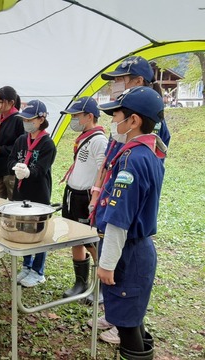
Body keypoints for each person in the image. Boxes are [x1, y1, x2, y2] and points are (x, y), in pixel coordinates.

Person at [89, 55, 172, 342]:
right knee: (129, 319)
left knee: (128, 329)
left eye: (116, 115)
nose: (112, 121)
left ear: (133, 120)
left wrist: (107, 262)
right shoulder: (147, 152)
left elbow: (120, 220)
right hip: (134, 250)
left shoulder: (132, 162)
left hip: (128, 252)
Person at [59, 97, 107, 298]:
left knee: (91, 241)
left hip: (86, 197)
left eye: (76, 116)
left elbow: (102, 171)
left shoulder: (99, 140)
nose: (73, 120)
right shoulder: (83, 138)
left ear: (89, 116)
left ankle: (102, 287)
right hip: (73, 194)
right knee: (75, 239)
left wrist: (94, 198)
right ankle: (80, 282)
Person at [8, 100, 57, 287]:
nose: (26, 122)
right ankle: (27, 266)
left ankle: (38, 270)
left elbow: (42, 169)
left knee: (38, 232)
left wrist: (29, 171)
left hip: (39, 194)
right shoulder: (21, 140)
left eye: (30, 119)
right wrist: (16, 167)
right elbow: (11, 159)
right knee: (24, 231)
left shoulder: (47, 144)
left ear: (41, 119)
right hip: (21, 193)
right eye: (24, 119)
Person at [0, 86, 24, 200]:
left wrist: (0, 149)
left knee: (14, 203)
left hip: (12, 170)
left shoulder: (19, 119)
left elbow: (21, 147)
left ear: (11, 102)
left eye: (1, 101)